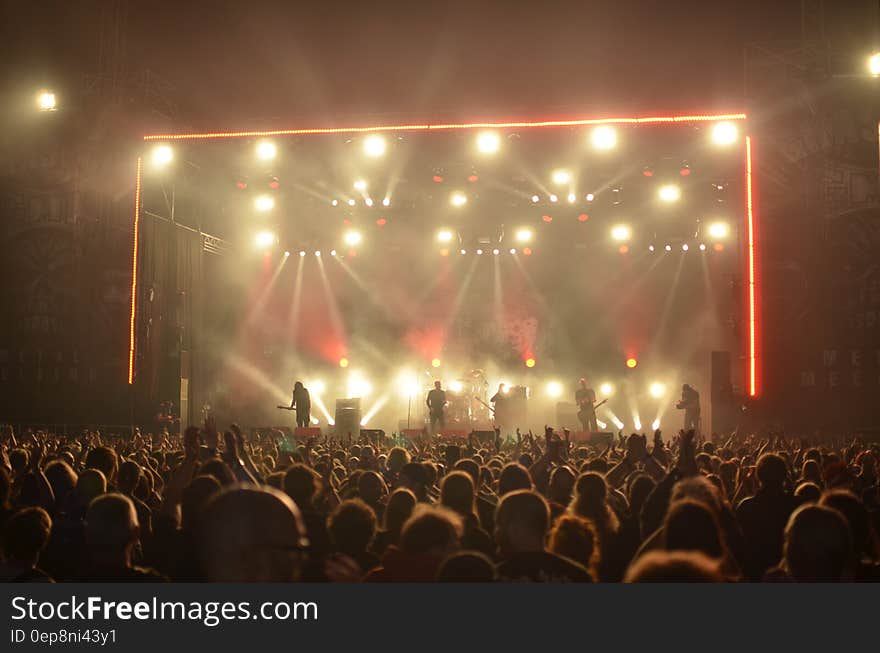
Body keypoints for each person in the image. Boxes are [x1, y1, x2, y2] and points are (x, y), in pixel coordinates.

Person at [495, 490, 592, 582]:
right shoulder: (577, 575)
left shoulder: (498, 577)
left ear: (515, 528)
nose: (497, 532)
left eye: (500, 525)